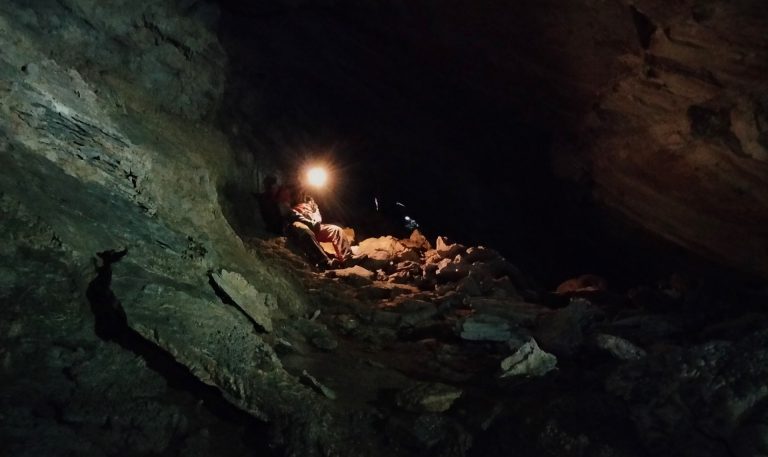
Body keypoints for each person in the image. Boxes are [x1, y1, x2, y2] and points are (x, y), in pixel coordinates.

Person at [284, 186, 353, 269]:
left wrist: (317, 221)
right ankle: (325, 261)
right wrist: (310, 223)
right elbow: (293, 215)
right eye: (299, 192)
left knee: (336, 230)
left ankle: (347, 259)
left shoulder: (310, 201)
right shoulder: (289, 203)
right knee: (305, 231)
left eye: (302, 192)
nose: (301, 194)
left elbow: (316, 212)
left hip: (315, 226)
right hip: (303, 226)